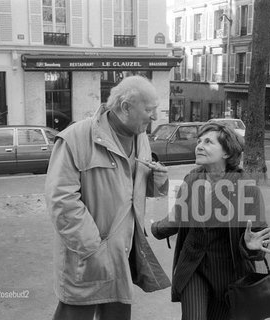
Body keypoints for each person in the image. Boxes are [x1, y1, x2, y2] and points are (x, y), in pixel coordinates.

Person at [46, 75, 171, 320]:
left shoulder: (141, 137)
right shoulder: (75, 139)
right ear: (125, 107)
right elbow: (61, 201)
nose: (155, 117)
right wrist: (94, 248)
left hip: (122, 254)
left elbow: (133, 191)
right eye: (149, 110)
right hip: (88, 255)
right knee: (75, 314)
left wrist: (159, 180)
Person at [151, 122, 270, 320]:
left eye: (208, 142)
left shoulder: (247, 188)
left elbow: (259, 239)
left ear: (227, 152)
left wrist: (252, 247)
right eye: (199, 141)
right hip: (193, 268)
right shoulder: (192, 179)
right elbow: (178, 217)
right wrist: (153, 229)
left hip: (229, 274)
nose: (199, 146)